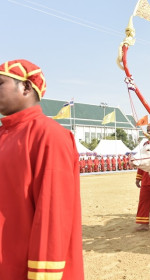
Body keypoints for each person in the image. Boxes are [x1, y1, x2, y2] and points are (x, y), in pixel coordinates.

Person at [0, 59, 84, 279]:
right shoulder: (3, 135)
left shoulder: (49, 135)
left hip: (24, 266)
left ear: (26, 87)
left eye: (0, 83)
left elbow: (53, 213)